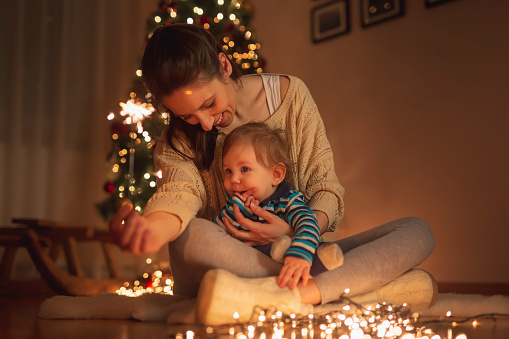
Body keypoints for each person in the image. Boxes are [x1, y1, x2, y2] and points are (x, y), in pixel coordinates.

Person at [39, 23, 436, 325]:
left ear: (224, 65)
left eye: (210, 104)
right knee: (192, 234)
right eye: (187, 115)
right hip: (227, 260)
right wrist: (152, 230)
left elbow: (324, 188)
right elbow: (178, 196)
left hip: (299, 249)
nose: (206, 124)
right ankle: (324, 290)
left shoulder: (292, 96)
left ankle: (295, 295)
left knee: (416, 230)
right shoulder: (177, 141)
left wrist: (290, 233)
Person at [212, 122, 344, 283]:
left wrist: (299, 254)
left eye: (244, 169)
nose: (234, 179)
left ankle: (316, 264)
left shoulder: (288, 201)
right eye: (228, 171)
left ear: (276, 174)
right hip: (246, 271)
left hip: (288, 263)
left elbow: (309, 224)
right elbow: (215, 235)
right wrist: (236, 213)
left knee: (292, 249)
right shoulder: (233, 206)